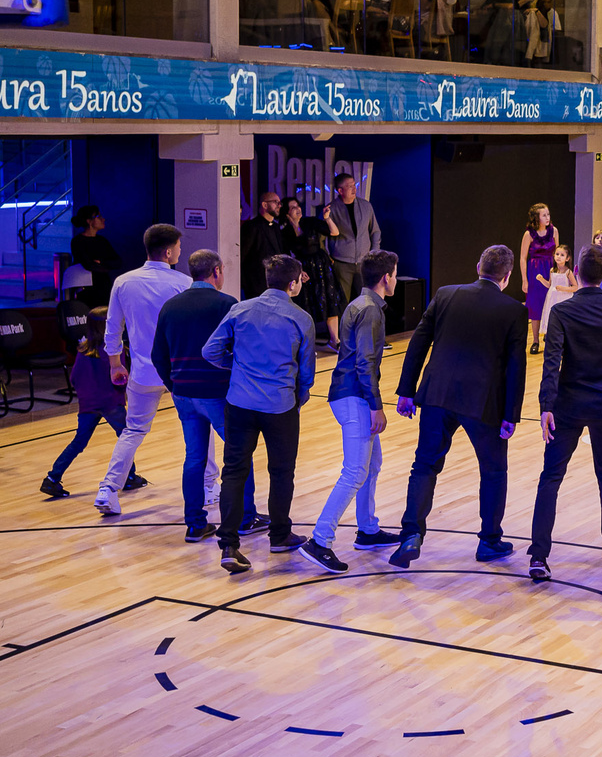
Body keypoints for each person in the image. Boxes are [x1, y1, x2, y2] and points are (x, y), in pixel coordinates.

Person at [391, 246, 527, 569]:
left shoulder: (446, 294)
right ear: (507, 277)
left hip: (437, 395)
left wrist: (406, 390)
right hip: (483, 403)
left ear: (478, 266)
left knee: (424, 466)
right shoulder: (513, 310)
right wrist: (511, 414)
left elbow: (418, 343)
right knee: (493, 471)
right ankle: (489, 541)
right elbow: (516, 366)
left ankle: (411, 535)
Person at [528, 245, 602, 581]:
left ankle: (538, 556)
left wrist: (546, 405)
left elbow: (551, 362)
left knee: (551, 477)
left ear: (577, 270)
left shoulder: (563, 312)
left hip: (568, 404)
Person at [202, 255, 317, 573]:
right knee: (281, 472)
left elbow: (210, 351)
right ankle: (279, 535)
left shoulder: (240, 309)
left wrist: (238, 366)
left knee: (233, 472)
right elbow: (307, 373)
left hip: (239, 403)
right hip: (280, 406)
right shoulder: (301, 318)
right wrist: (299, 397)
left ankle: (229, 544)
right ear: (293, 283)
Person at [151, 250, 265, 542]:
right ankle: (245, 517)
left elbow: (157, 355)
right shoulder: (226, 304)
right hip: (218, 393)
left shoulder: (170, 306)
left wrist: (173, 385)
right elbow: (243, 350)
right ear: (216, 271)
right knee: (238, 454)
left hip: (183, 393)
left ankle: (194, 524)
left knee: (194, 458)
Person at [299, 251, 402, 574]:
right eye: (395, 274)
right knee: (356, 470)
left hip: (347, 394)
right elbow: (365, 363)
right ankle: (320, 540)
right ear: (386, 278)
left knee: (372, 463)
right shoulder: (370, 310)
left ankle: (368, 530)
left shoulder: (358, 303)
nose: (396, 279)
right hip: (354, 396)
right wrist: (376, 406)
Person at [92, 224, 190, 516]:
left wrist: (115, 363)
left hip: (143, 372)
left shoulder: (123, 282)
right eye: (179, 247)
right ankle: (210, 486)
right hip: (179, 371)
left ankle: (108, 489)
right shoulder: (183, 283)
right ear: (169, 252)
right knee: (196, 427)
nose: (180, 251)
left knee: (133, 430)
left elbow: (112, 328)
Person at [39, 307, 145, 501]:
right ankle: (129, 476)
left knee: (79, 442)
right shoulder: (114, 349)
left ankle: (52, 478)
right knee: (127, 437)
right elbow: (119, 379)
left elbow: (75, 377)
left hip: (88, 404)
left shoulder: (83, 349)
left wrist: (87, 395)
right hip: (111, 402)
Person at [280, 196, 341, 348]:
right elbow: (287, 254)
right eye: (293, 207)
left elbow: (334, 232)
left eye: (298, 205)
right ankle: (306, 343)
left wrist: (327, 218)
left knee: (330, 299)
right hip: (303, 267)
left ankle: (335, 340)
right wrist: (299, 271)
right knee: (307, 304)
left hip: (320, 264)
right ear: (287, 213)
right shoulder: (285, 231)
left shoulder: (310, 222)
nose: (297, 209)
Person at [324, 172, 382, 321]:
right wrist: (328, 257)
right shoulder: (331, 209)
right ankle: (345, 331)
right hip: (342, 263)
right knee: (343, 302)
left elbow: (375, 231)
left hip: (363, 262)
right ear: (340, 190)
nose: (354, 188)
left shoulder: (365, 206)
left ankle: (366, 329)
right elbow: (321, 236)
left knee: (366, 300)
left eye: (354, 185)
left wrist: (374, 253)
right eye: (349, 186)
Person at [520, 202, 558, 354]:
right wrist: (524, 279)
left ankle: (550, 335)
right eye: (544, 215)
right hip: (535, 272)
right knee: (535, 305)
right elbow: (523, 258)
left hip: (550, 269)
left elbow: (557, 253)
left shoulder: (554, 231)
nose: (547, 217)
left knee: (551, 302)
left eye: (548, 214)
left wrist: (559, 273)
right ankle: (535, 340)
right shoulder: (529, 234)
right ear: (536, 218)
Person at [69, 205, 122, 307]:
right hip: (86, 287)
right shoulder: (78, 241)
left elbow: (118, 262)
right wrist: (105, 265)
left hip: (103, 286)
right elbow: (88, 264)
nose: (103, 219)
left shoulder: (102, 240)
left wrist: (101, 262)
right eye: (98, 216)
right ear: (89, 221)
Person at [241, 192, 286, 299]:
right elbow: (242, 255)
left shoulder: (276, 227)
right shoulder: (252, 226)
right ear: (264, 205)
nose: (279, 205)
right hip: (256, 286)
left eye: (280, 203)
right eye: (275, 202)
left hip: (275, 285)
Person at [538, 243, 578, 338]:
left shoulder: (568, 272)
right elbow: (549, 285)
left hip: (564, 298)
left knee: (563, 318)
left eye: (562, 255)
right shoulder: (552, 270)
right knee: (551, 316)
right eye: (557, 254)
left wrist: (564, 288)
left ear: (567, 258)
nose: (559, 257)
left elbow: (575, 287)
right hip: (552, 298)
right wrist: (541, 279)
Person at [527, 0, 561, 68]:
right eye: (544, 2)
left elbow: (556, 28)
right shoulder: (533, 12)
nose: (546, 4)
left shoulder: (552, 13)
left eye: (548, 2)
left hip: (546, 40)